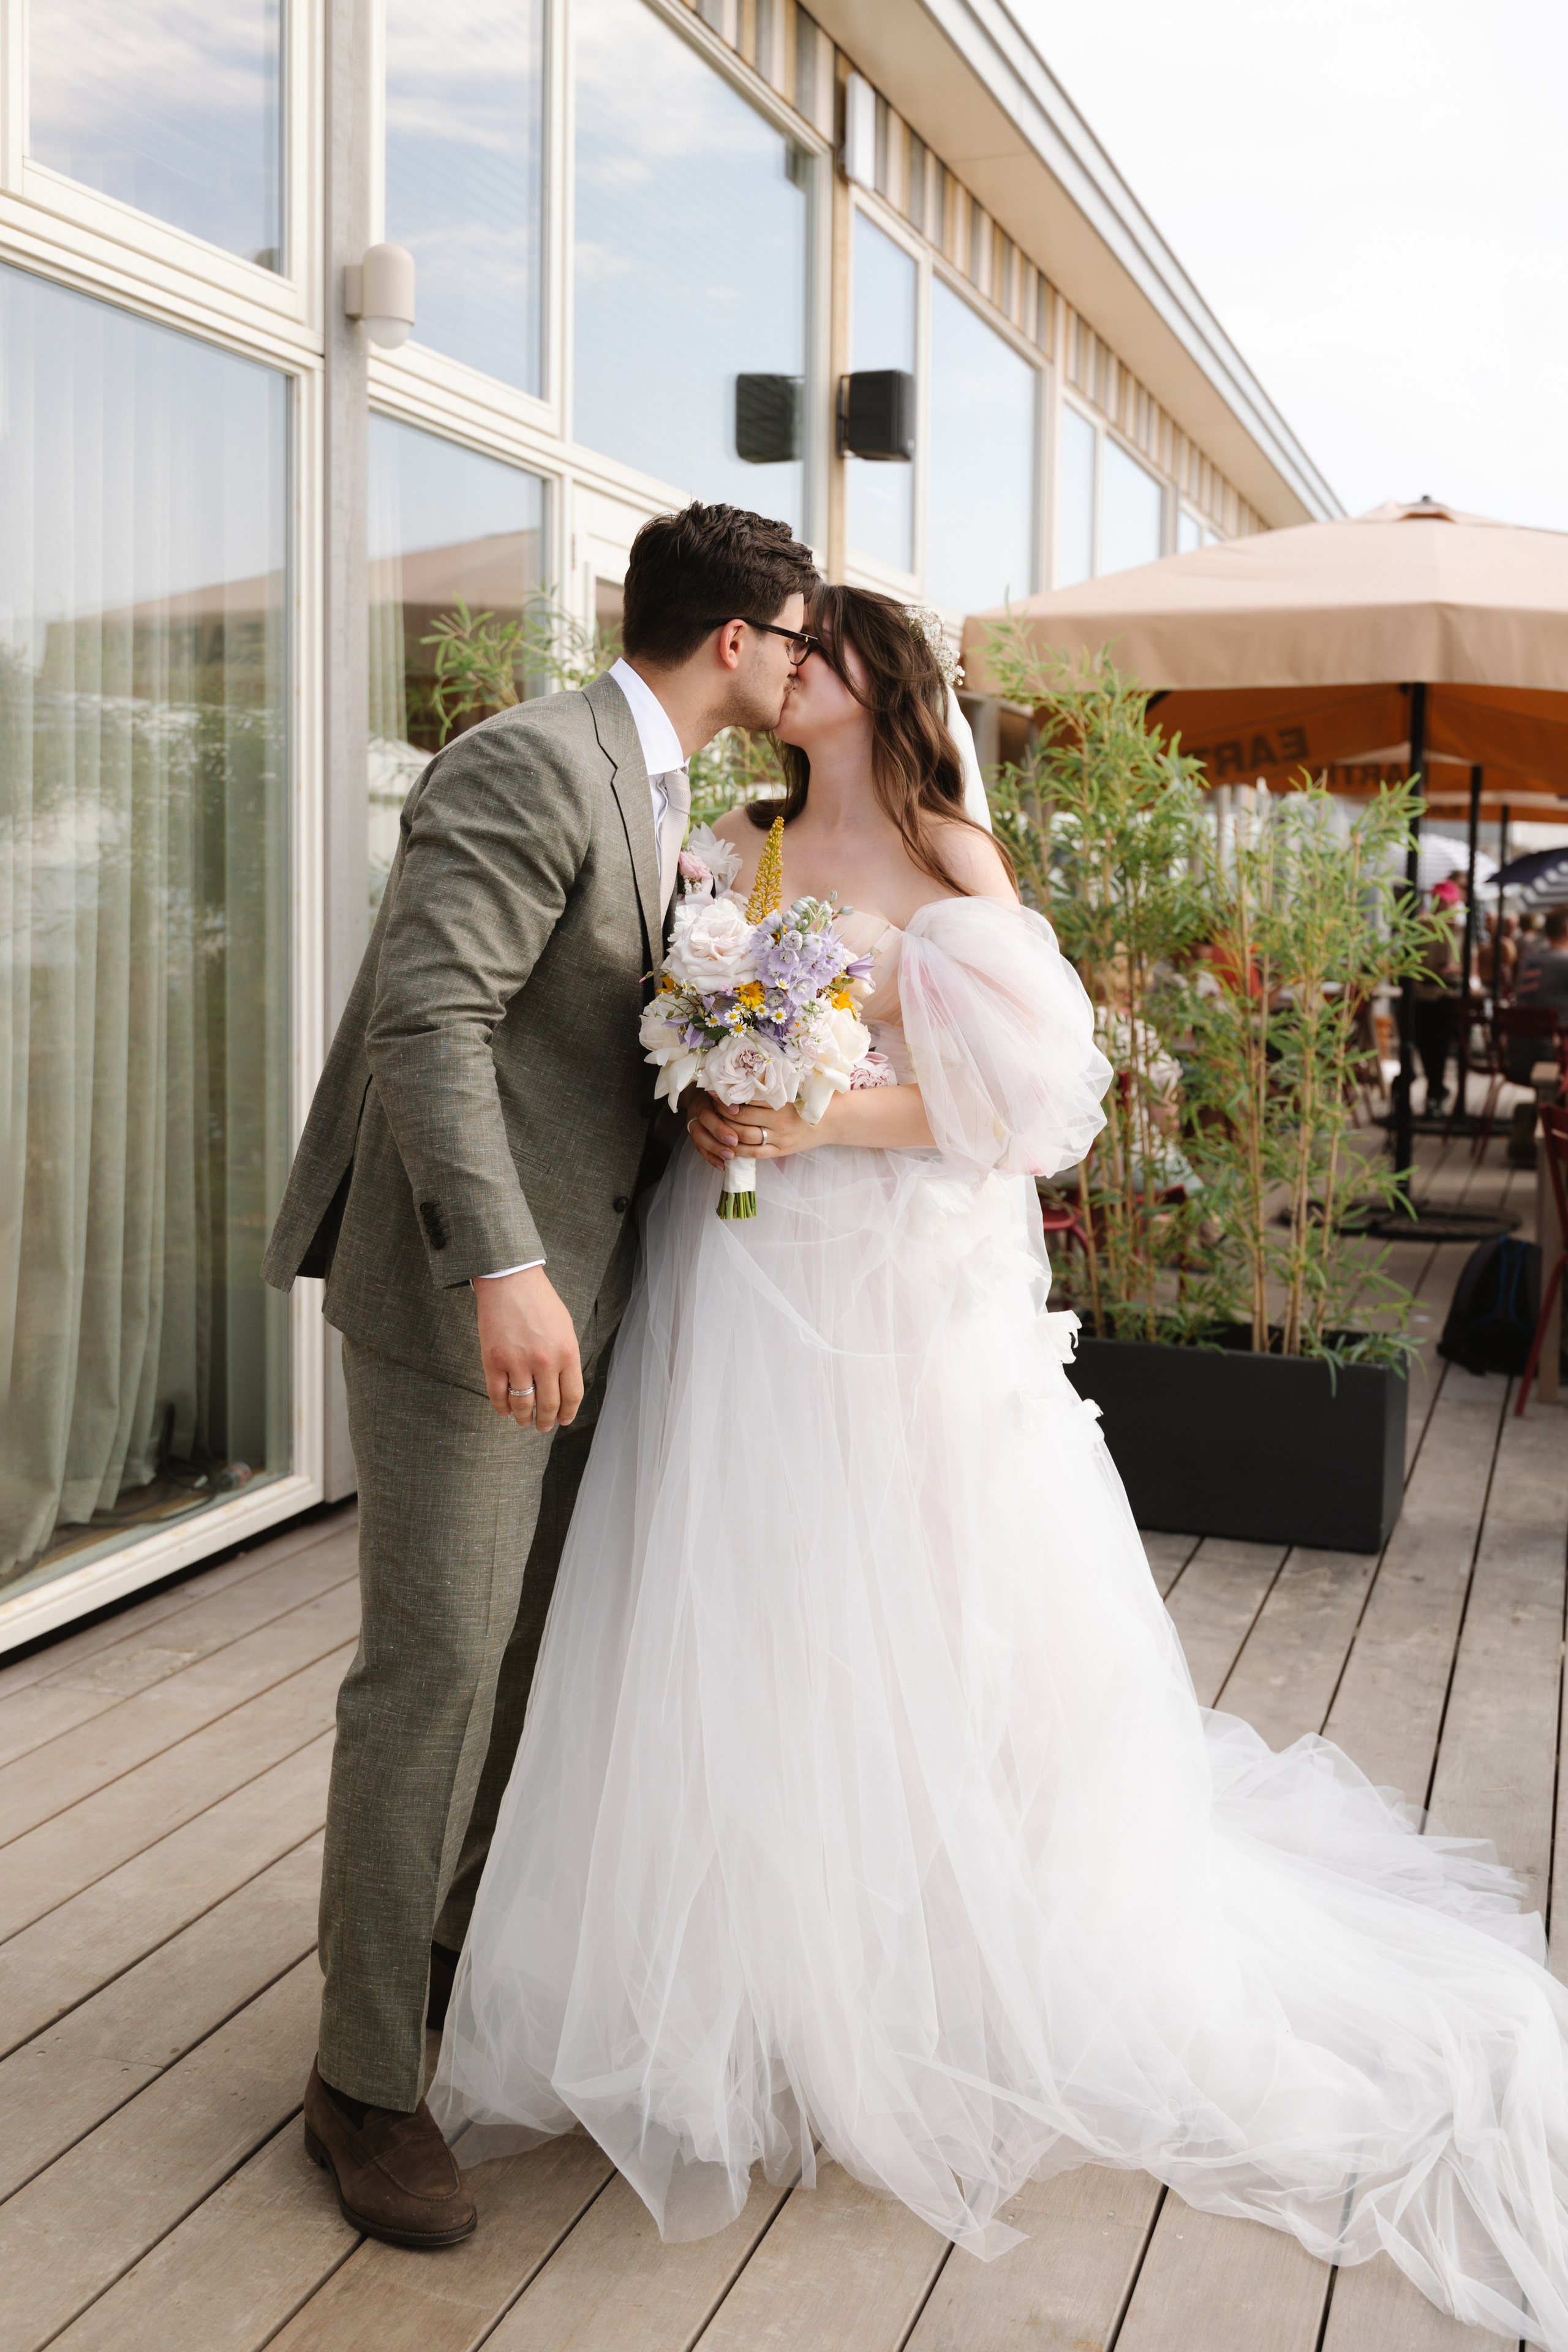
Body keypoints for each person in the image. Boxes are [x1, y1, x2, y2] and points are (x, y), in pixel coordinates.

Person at [432, 586, 1568, 2345]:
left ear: (880, 681)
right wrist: (712, 1092)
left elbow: (1024, 1105)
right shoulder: (729, 839)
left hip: (886, 1278)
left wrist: (820, 1110)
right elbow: (676, 1028)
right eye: (782, 648)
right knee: (739, 1593)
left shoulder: (955, 856)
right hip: (732, 1278)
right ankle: (739, 1977)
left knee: (910, 1593)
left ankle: (913, 1979)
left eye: (816, 650)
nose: (786, 669)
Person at [259, 501, 818, 2248]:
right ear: (736, 640)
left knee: (523, 1656)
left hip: (598, 1287)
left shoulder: (671, 792)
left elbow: (580, 1031)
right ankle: (360, 2085)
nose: (805, 667)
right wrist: (503, 1269)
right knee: (432, 1670)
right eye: (798, 638)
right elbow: (427, 1025)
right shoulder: (529, 761)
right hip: (474, 1301)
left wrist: (711, 1092)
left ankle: (438, 1971)